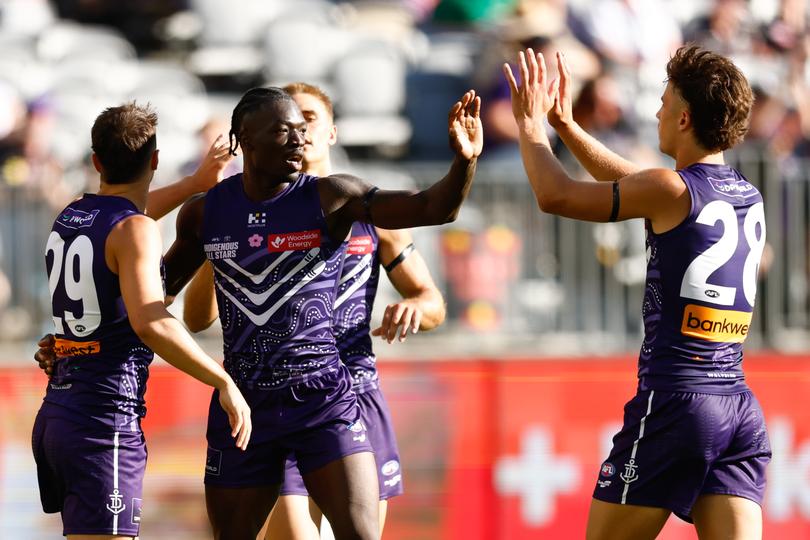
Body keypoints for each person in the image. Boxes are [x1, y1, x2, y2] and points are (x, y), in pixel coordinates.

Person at [159, 85, 481, 540]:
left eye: (303, 127)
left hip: (324, 398)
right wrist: (72, 339)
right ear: (246, 140)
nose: (298, 139)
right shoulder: (205, 214)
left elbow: (433, 208)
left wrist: (463, 162)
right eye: (283, 131)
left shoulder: (334, 198)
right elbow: (152, 298)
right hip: (246, 403)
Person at [504, 46, 770, 539]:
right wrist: (566, 124)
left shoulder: (671, 190)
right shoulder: (744, 193)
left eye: (664, 103)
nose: (656, 113)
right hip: (737, 408)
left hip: (676, 402)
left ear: (685, 118)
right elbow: (638, 182)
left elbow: (555, 194)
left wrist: (529, 123)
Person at [31, 102, 252, 540]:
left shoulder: (73, 214)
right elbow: (151, 321)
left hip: (58, 413)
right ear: (154, 160)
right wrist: (222, 381)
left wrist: (194, 184)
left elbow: (128, 219)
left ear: (96, 161)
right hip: (103, 420)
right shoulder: (134, 230)